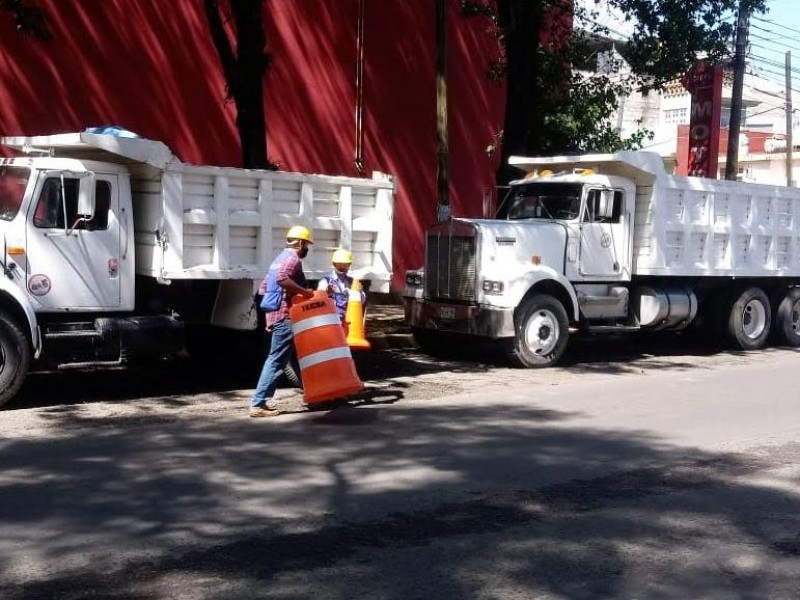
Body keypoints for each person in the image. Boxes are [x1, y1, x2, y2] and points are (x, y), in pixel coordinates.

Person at [249, 225, 315, 417]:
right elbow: (281, 279)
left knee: (283, 359)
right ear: (301, 243)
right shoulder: (292, 258)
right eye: (306, 245)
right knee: (276, 359)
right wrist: (305, 292)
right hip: (284, 316)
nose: (306, 249)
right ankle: (258, 404)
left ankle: (314, 393)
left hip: (276, 314)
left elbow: (263, 288)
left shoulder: (278, 259)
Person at [317, 248, 366, 324]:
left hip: (349, 320)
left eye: (345, 264)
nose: (342, 267)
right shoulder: (325, 281)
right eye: (339, 264)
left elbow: (361, 301)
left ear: (349, 265)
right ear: (334, 264)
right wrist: (327, 292)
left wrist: (359, 292)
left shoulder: (352, 281)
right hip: (331, 322)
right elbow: (318, 300)